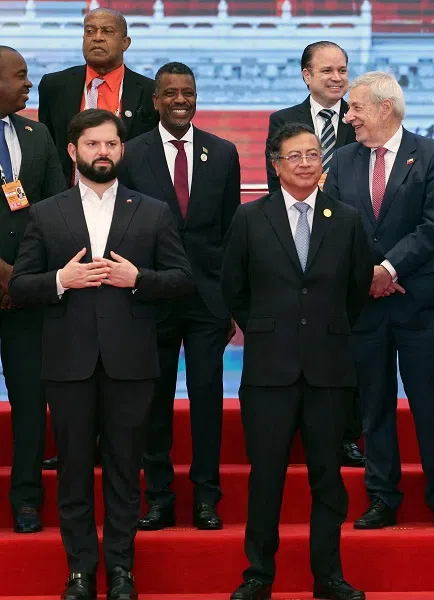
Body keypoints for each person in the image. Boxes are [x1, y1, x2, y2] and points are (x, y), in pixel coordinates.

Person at [9, 108, 192, 600]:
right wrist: (59, 281)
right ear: (73, 152)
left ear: (122, 149)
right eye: (93, 144)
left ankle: (121, 570)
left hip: (131, 364)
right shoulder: (47, 212)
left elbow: (181, 280)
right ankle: (79, 572)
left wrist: (141, 281)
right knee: (71, 474)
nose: (103, 152)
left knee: (123, 471)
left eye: (111, 144)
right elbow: (22, 286)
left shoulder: (152, 210)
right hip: (68, 364)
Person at [222, 122, 369, 600]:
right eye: (295, 156)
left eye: (312, 154)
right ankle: (258, 575)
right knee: (266, 479)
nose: (305, 163)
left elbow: (356, 290)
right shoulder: (249, 218)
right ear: (275, 164)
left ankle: (328, 576)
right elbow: (235, 290)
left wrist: (325, 327)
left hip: (329, 369)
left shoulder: (345, 218)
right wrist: (269, 327)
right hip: (269, 370)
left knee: (329, 479)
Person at [323, 71, 434, 530]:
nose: (349, 117)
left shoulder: (432, 155)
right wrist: (365, 275)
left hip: (420, 304)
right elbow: (334, 227)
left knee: (430, 403)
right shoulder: (342, 160)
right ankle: (382, 495)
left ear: (385, 107)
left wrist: (387, 269)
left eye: (356, 108)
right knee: (374, 405)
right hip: (365, 304)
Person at [117, 61, 240, 532]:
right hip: (151, 298)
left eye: (187, 91)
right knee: (154, 404)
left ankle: (207, 498)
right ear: (155, 101)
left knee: (207, 401)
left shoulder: (223, 153)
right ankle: (160, 498)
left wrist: (229, 303)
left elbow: (232, 234)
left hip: (208, 302)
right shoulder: (131, 154)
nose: (180, 100)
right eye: (170, 93)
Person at [265, 40, 362, 467]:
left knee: (342, 345)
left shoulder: (361, 119)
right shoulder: (283, 120)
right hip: (294, 244)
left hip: (342, 245)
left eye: (342, 70)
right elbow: (276, 188)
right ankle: (288, 431)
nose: (337, 78)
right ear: (307, 75)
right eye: (327, 71)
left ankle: (345, 435)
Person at [0, 46, 67, 534]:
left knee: (29, 401)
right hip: (10, 282)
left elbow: (54, 214)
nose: (30, 83)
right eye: (20, 75)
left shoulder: (37, 133)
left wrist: (21, 278)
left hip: (25, 297)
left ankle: (26, 498)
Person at [38, 8, 158, 187]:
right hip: (67, 200)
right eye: (89, 31)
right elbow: (48, 149)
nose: (97, 37)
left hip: (129, 201)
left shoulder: (150, 91)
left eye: (107, 31)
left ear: (125, 43)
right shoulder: (54, 86)